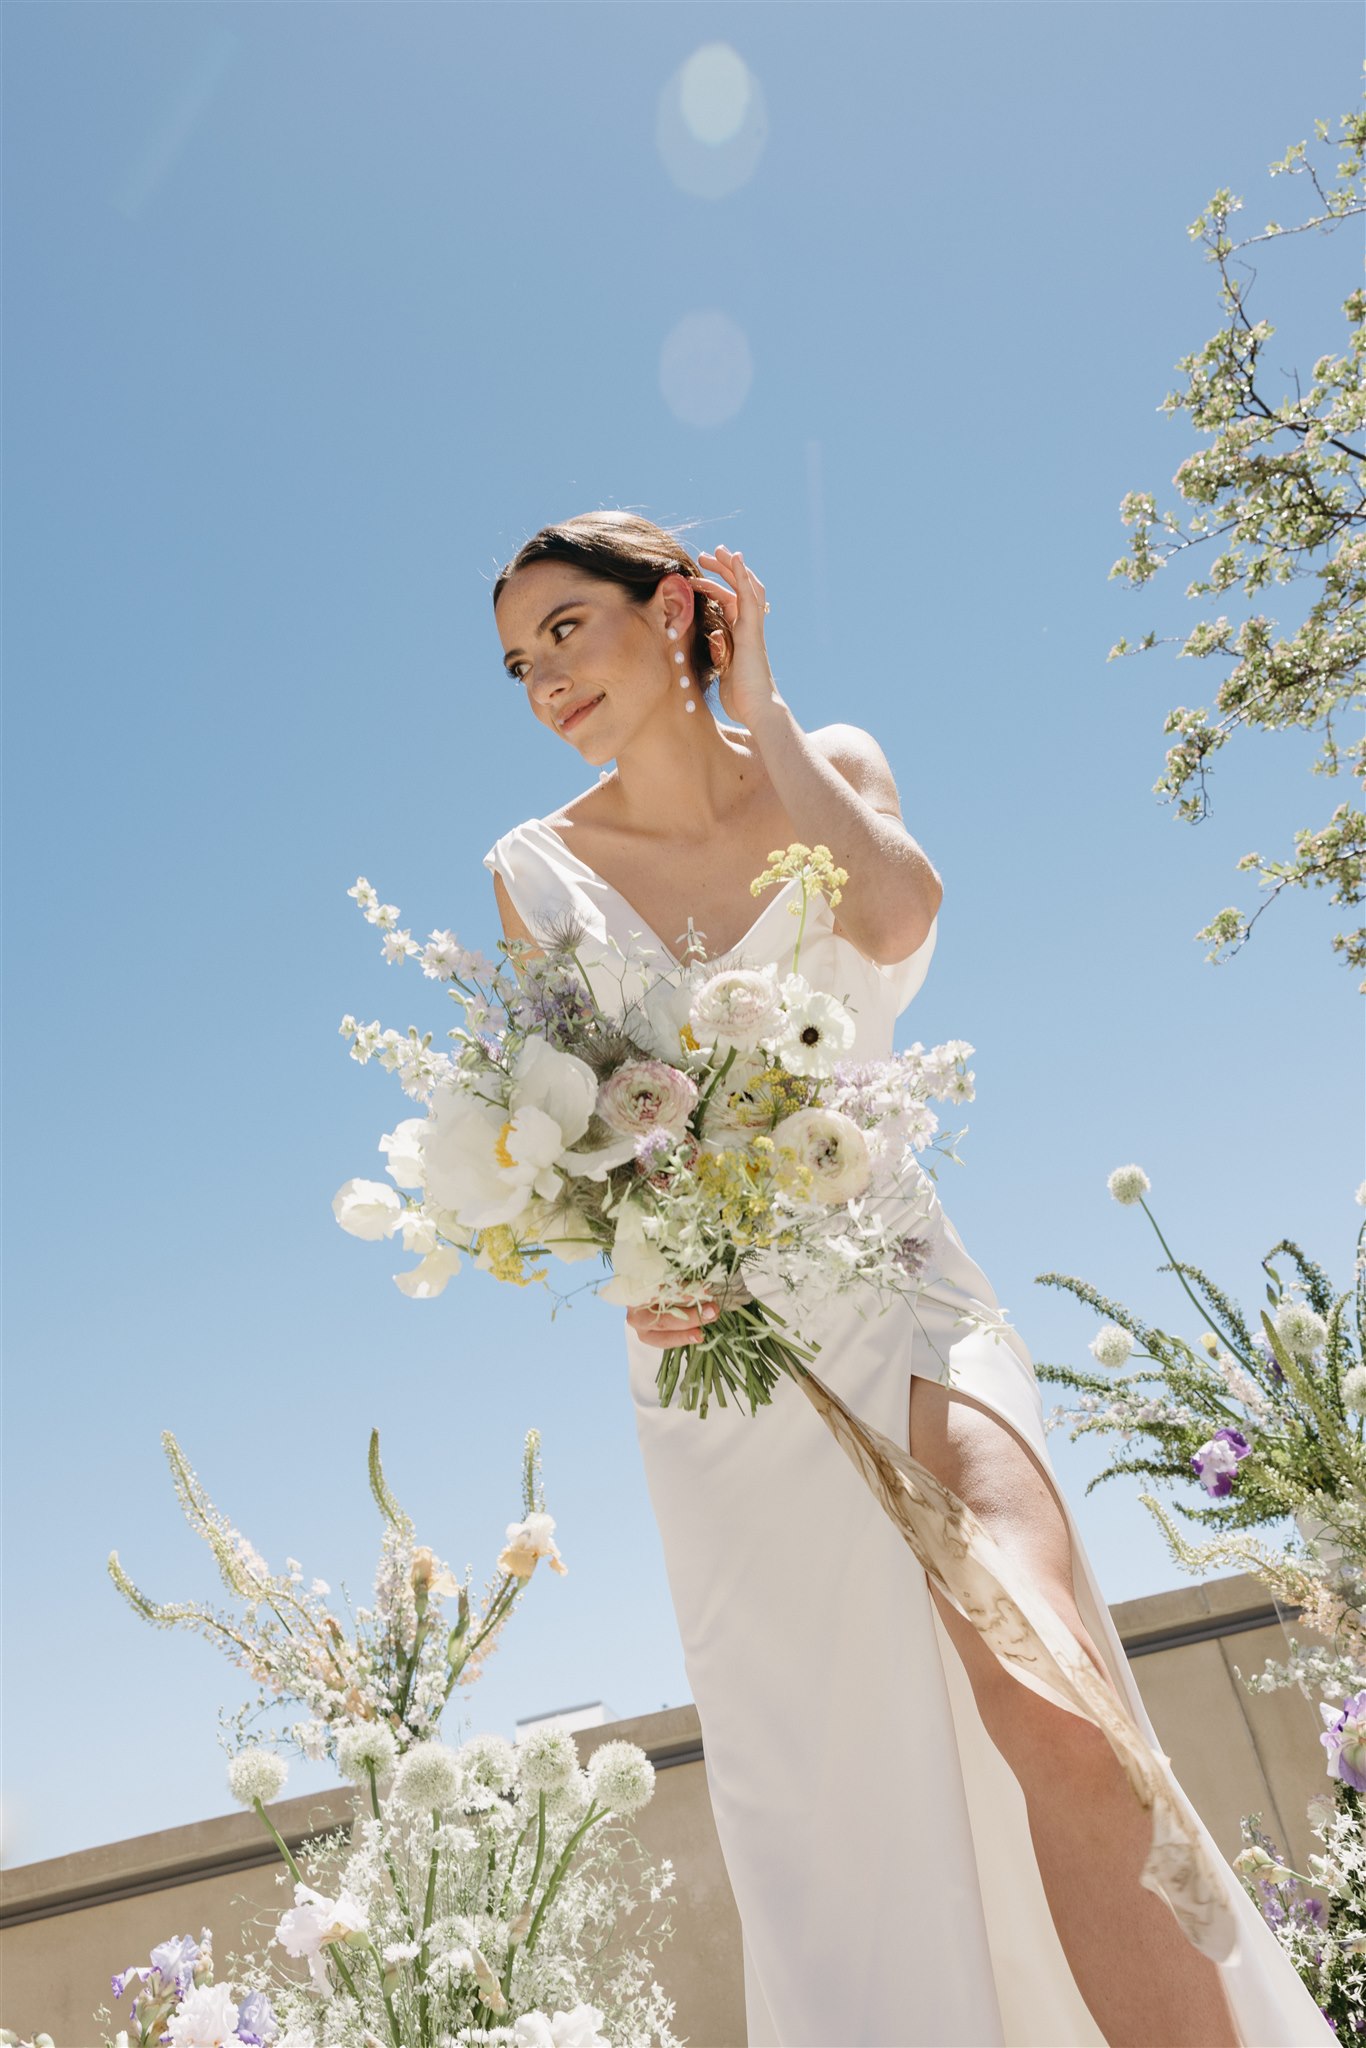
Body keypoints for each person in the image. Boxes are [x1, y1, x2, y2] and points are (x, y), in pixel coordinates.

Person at [483, 510, 1331, 2048]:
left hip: (905, 1283)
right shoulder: (535, 871)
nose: (542, 678)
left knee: (1057, 1694)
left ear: (676, 606)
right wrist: (627, 1268)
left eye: (566, 629)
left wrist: (768, 717)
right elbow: (560, 1126)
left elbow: (892, 916)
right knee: (841, 1808)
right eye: (515, 662)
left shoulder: (830, 763)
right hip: (722, 1370)